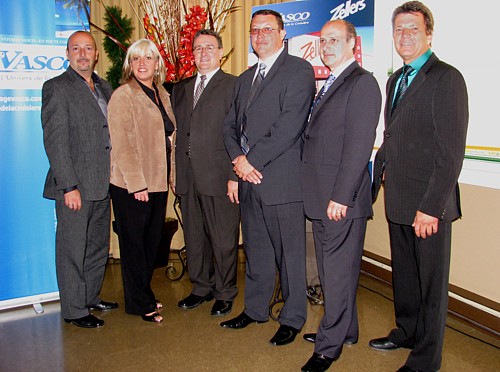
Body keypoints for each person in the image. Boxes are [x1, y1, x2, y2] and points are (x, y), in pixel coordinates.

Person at [370, 2, 469, 371]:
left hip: (429, 205)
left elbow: (451, 152)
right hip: (399, 197)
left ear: (429, 33)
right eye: (398, 29)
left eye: (413, 28)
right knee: (406, 277)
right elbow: (393, 134)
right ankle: (407, 332)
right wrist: (379, 171)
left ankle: (426, 358)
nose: (404, 36)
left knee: (430, 286)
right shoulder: (396, 79)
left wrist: (431, 207)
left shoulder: (447, 78)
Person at [222, 9, 316, 346]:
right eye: (254, 30)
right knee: (257, 250)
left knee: (290, 256)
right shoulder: (245, 78)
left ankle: (292, 317)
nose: (260, 35)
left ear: (281, 33)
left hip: (281, 180)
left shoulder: (299, 70)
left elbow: (288, 127)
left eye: (267, 29)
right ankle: (256, 309)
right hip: (249, 179)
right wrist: (237, 160)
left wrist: (249, 161)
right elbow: (230, 126)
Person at [300, 20, 382, 372]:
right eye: (323, 40)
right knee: (339, 271)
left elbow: (359, 147)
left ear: (353, 43)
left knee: (335, 272)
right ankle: (345, 329)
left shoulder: (362, 83)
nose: (327, 45)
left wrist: (341, 197)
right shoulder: (330, 83)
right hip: (322, 197)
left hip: (339, 201)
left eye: (335, 40)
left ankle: (328, 347)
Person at [41, 30, 117, 329]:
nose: (83, 54)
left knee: (97, 245)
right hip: (75, 187)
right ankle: (74, 309)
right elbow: (55, 140)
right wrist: (68, 185)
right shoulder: (56, 87)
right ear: (68, 53)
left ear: (96, 54)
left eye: (88, 48)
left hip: (102, 183)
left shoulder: (105, 87)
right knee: (72, 248)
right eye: (76, 48)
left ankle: (90, 296)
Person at [172, 29, 240, 316]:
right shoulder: (181, 88)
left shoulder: (234, 86)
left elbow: (240, 133)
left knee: (223, 238)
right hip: (188, 177)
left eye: (209, 47)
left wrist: (235, 176)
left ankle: (225, 292)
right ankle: (201, 287)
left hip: (220, 176)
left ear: (220, 52)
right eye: (198, 48)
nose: (203, 53)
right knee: (195, 237)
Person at [108, 39, 176, 323]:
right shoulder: (123, 95)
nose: (142, 63)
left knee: (150, 243)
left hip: (157, 181)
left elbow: (169, 137)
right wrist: (136, 184)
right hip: (131, 184)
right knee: (135, 244)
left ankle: (143, 291)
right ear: (130, 65)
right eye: (136, 59)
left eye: (148, 58)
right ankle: (138, 303)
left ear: (157, 63)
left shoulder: (161, 93)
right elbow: (121, 144)